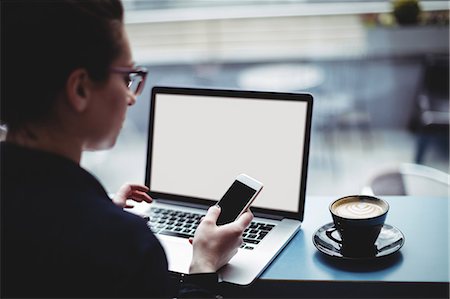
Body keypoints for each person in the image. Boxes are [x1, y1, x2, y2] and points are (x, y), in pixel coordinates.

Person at [0, 0, 253, 297]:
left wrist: (100, 213)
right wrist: (204, 264)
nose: (131, 98)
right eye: (127, 78)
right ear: (80, 89)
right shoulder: (125, 249)